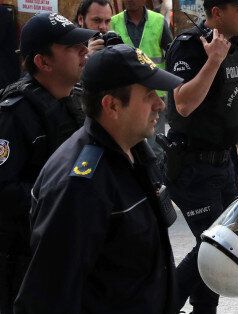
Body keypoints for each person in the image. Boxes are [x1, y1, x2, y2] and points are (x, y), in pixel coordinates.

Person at [14, 44, 183, 314]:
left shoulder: (136, 150)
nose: (160, 104)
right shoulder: (81, 185)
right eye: (149, 94)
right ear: (112, 105)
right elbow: (46, 297)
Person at [164, 0, 238, 312]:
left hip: (223, 161)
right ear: (218, 12)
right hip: (191, 164)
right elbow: (183, 104)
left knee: (220, 247)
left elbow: (229, 102)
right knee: (215, 246)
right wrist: (213, 61)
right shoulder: (190, 46)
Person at [0, 13, 95, 314]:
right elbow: (4, 191)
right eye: (71, 47)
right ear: (43, 62)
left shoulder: (78, 102)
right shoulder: (14, 115)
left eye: (83, 44)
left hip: (69, 251)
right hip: (25, 262)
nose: (84, 50)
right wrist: (58, 200)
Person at [111, 0, 174, 162]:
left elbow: (171, 54)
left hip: (155, 93)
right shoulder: (114, 22)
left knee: (155, 146)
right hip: (126, 94)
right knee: (128, 144)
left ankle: (156, 182)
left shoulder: (158, 21)